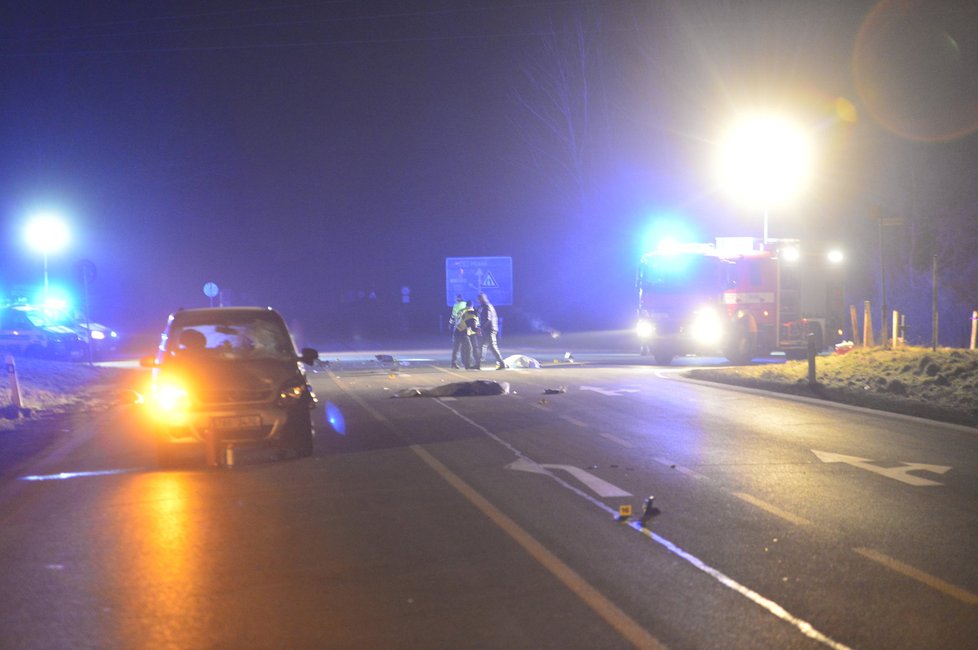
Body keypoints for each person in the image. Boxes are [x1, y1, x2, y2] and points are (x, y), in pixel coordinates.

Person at [477, 293, 505, 369]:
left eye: (479, 299)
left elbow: (487, 319)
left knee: (492, 346)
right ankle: (478, 364)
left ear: (481, 299)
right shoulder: (487, 306)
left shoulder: (486, 306)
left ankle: (502, 363)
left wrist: (481, 328)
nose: (478, 301)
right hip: (489, 329)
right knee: (482, 346)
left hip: (489, 329)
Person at [451, 301, 480, 369]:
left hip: (458, 330)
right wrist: (477, 330)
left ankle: (454, 363)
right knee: (468, 347)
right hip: (461, 331)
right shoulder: (471, 314)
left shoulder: (464, 311)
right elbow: (472, 325)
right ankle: (467, 364)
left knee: (457, 348)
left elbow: (456, 319)